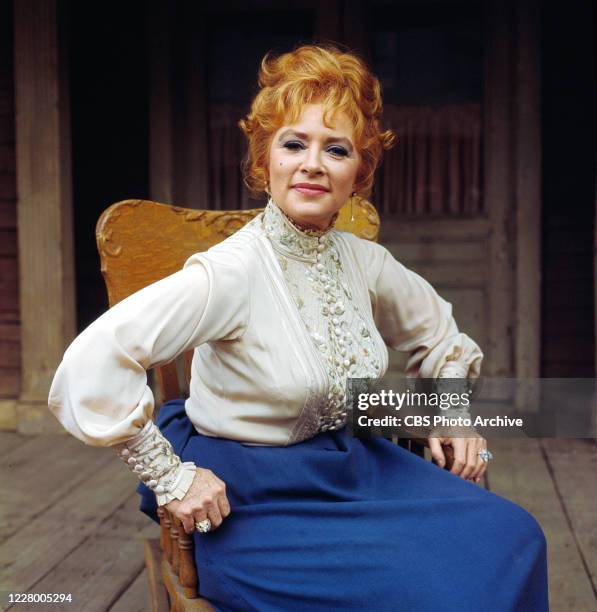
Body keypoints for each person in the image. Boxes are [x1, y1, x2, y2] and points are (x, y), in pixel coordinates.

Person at [48, 44, 548, 611]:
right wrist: (171, 477)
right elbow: (91, 359)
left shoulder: (363, 261)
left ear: (358, 173)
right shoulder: (229, 273)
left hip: (353, 471)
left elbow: (441, 337)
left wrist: (452, 413)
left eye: (336, 149)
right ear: (266, 163)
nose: (313, 163)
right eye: (294, 144)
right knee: (414, 592)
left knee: (513, 537)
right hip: (253, 498)